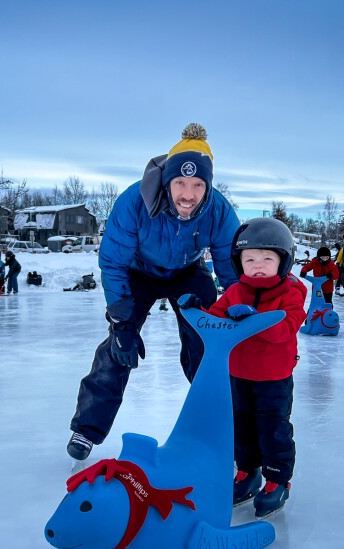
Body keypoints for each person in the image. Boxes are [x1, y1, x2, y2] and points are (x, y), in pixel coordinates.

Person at [67, 123, 241, 460]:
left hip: (188, 273)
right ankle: (86, 429)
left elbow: (229, 267)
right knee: (118, 347)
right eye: (180, 183)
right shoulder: (134, 201)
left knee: (206, 346)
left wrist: (237, 308)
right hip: (138, 271)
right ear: (166, 179)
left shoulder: (218, 210)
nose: (188, 195)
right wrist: (123, 322)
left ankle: (222, 424)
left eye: (198, 184)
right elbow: (114, 263)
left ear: (208, 184)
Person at [180, 219, 307, 517]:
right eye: (250, 259)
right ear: (239, 263)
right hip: (238, 375)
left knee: (273, 430)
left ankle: (277, 480)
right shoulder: (236, 292)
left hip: (273, 379)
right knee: (241, 428)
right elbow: (214, 320)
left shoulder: (291, 294)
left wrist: (252, 320)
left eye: (267, 259)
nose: (258, 265)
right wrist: (195, 308)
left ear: (283, 260)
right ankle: (247, 473)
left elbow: (285, 330)